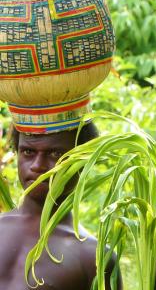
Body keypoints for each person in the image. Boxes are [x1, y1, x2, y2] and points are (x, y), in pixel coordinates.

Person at [0, 123, 122, 290]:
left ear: (83, 162)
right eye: (28, 152)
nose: (37, 165)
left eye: (55, 153)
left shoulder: (92, 258)